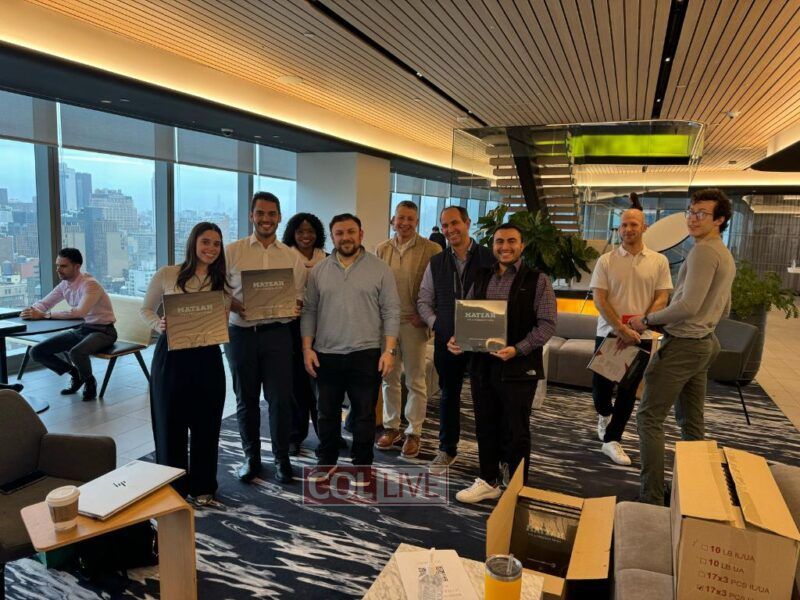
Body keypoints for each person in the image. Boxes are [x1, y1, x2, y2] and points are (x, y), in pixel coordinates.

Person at [629, 188, 736, 506]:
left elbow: (688, 305)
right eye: (691, 212)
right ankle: (693, 492)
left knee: (649, 418)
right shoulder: (723, 253)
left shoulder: (703, 253)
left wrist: (647, 320)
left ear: (719, 219)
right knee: (691, 422)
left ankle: (651, 497)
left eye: (702, 213)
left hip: (685, 345)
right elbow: (725, 309)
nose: (693, 218)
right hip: (704, 342)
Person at [447, 223, 556, 503]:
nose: (505, 247)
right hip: (483, 366)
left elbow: (547, 325)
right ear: (492, 245)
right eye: (499, 242)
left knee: (516, 429)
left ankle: (516, 486)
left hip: (518, 367)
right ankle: (489, 480)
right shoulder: (483, 276)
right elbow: (468, 315)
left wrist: (517, 349)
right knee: (485, 424)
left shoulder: (538, 280)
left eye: (511, 241)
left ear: (522, 245)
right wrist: (458, 339)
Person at [301, 213, 400, 481]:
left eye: (350, 232)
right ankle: (327, 461)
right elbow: (309, 311)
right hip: (326, 354)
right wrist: (307, 349)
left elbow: (391, 311)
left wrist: (389, 351)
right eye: (339, 233)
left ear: (360, 234)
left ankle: (362, 465)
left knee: (364, 415)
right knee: (326, 413)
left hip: (366, 354)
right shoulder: (319, 271)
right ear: (332, 238)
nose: (345, 237)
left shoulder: (380, 269)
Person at [140, 222, 228, 506]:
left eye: (216, 243)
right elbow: (146, 309)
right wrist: (159, 324)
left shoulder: (221, 279)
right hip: (172, 356)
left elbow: (224, 316)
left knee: (207, 424)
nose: (211, 248)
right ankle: (173, 487)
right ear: (193, 243)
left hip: (208, 355)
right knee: (170, 423)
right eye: (206, 242)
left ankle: (204, 486)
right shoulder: (168, 273)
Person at [225, 192, 307, 484]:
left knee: (280, 399)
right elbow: (219, 291)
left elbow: (299, 295)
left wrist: (293, 305)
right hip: (241, 335)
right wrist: (237, 305)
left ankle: (282, 458)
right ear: (251, 216)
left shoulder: (291, 257)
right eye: (260, 213)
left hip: (277, 335)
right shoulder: (232, 252)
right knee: (245, 400)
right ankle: (251, 458)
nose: (266, 219)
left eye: (272, 214)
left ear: (279, 217)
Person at [589, 206, 672, 466]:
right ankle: (604, 414)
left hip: (642, 336)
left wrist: (639, 325)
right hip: (609, 334)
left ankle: (613, 440)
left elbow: (662, 297)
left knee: (627, 391)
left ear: (644, 227)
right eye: (624, 225)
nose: (628, 229)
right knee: (600, 390)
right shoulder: (606, 261)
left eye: (634, 224)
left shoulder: (659, 261)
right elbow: (599, 299)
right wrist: (621, 328)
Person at [417, 206, 495, 475]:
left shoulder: (490, 257)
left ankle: (490, 456)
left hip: (483, 343)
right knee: (448, 396)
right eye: (445, 225)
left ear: (467, 223)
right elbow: (424, 301)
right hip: (447, 341)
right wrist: (439, 327)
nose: (450, 230)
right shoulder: (437, 262)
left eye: (454, 223)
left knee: (485, 397)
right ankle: (447, 449)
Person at [375, 201, 442, 458]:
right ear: (393, 220)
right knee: (389, 378)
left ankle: (414, 431)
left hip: (414, 324)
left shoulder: (432, 249)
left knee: (415, 379)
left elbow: (439, 288)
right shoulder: (381, 249)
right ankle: (391, 427)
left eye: (410, 219)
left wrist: (425, 316)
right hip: (387, 325)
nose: (404, 223)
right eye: (400, 218)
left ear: (417, 222)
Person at [22, 248, 117, 401]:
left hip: (103, 331)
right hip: (82, 330)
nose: (58, 269)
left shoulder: (90, 285)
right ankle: (76, 374)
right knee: (36, 352)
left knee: (76, 352)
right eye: (57, 265)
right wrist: (31, 311)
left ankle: (89, 382)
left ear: (77, 266)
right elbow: (44, 304)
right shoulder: (64, 285)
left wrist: (45, 315)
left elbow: (79, 313)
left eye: (63, 266)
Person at [281, 212, 327, 455]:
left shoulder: (327, 259)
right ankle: (294, 435)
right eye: (300, 231)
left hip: (323, 329)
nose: (306, 236)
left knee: (322, 386)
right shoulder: (284, 257)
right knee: (296, 385)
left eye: (311, 231)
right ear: (293, 233)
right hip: (291, 328)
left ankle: (326, 434)